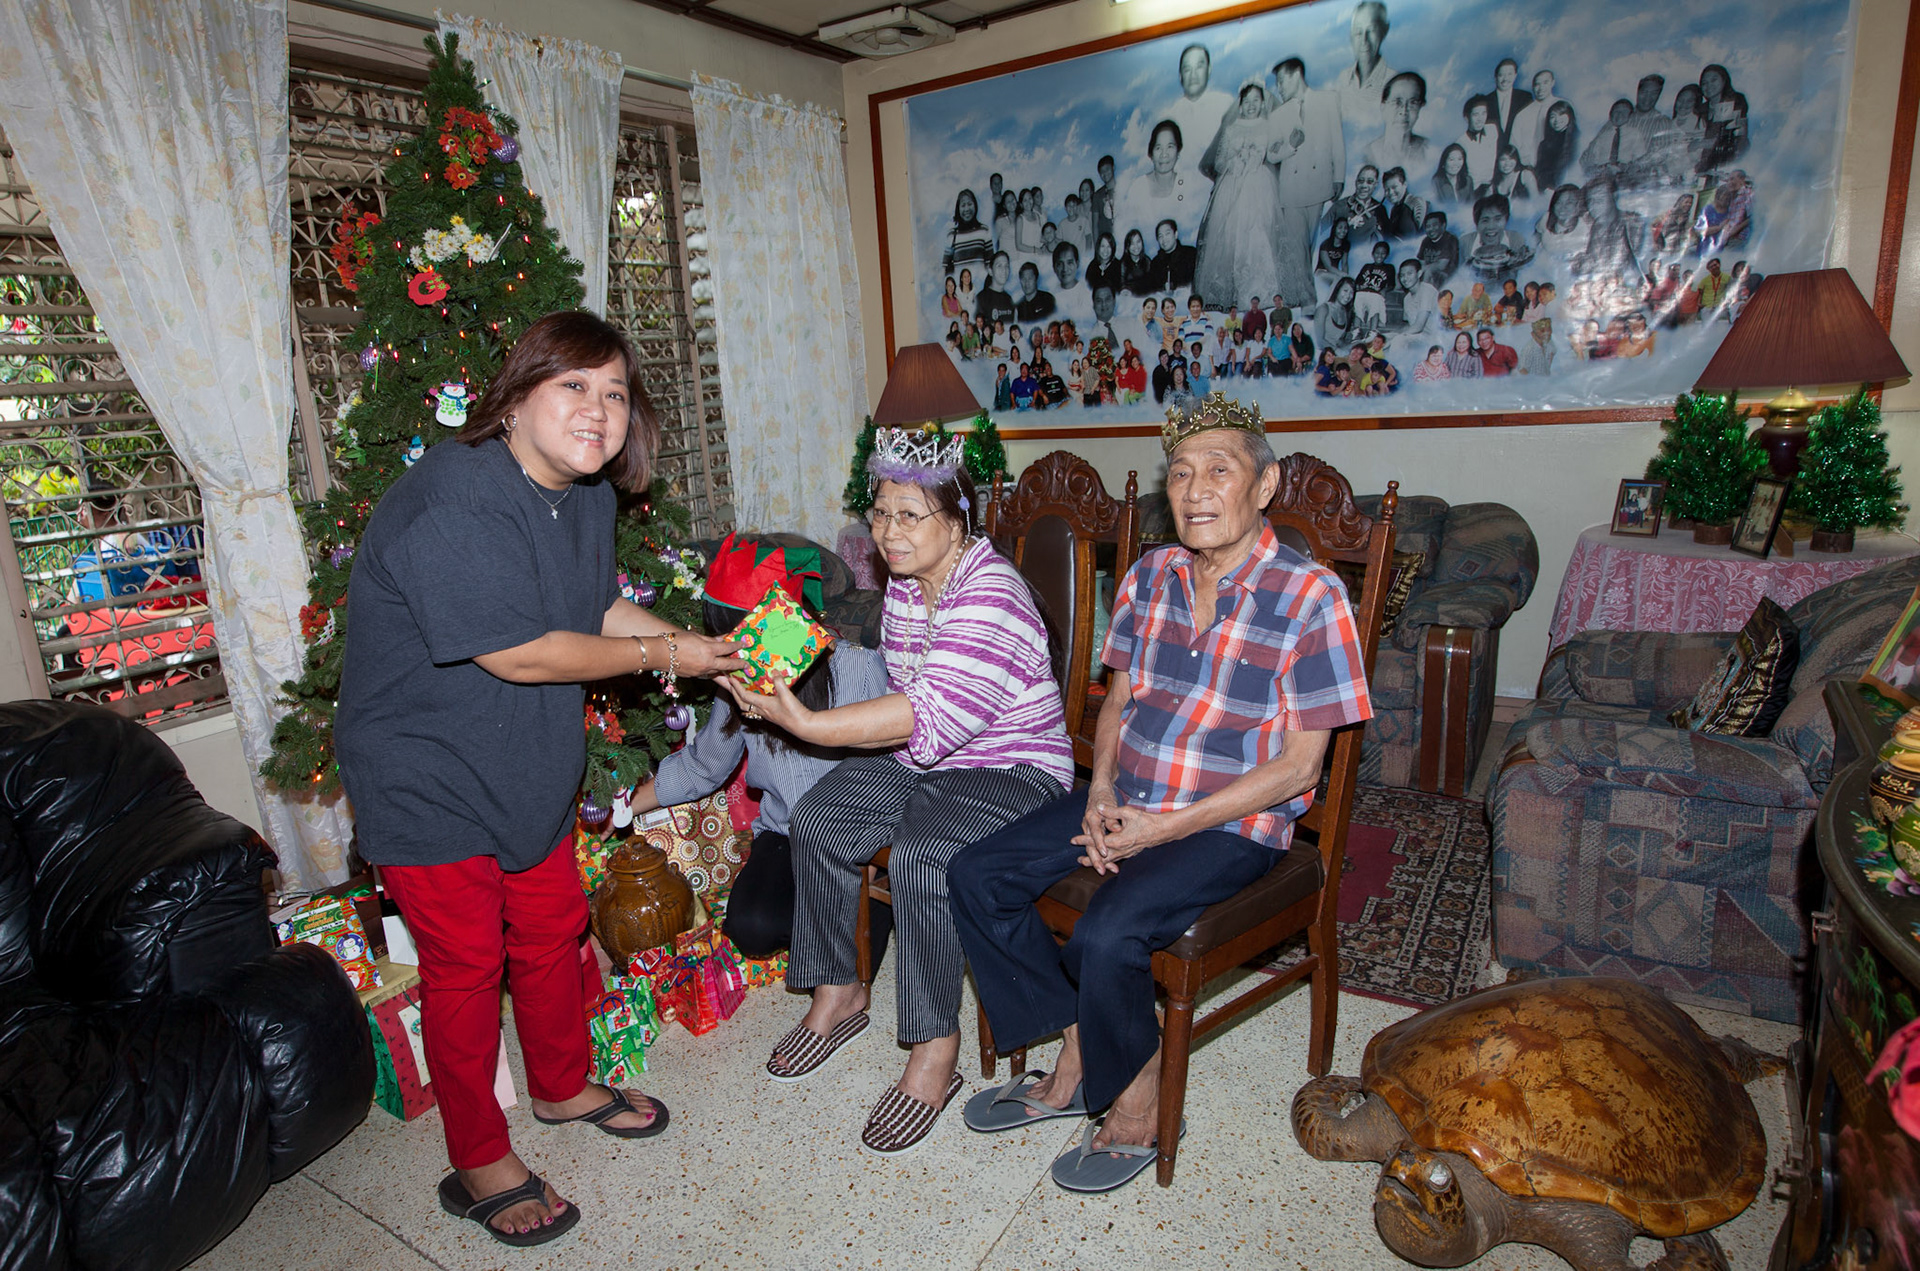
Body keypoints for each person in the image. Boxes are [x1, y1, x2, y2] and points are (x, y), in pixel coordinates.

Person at [335, 312, 745, 1247]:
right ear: (516, 398)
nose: (599, 410)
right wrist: (665, 653)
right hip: (422, 769)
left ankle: (560, 1087)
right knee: (466, 964)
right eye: (574, 385)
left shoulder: (584, 493)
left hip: (521, 754)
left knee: (553, 921)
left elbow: (592, 608)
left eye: (615, 392)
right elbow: (519, 651)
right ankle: (479, 1157)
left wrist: (699, 650)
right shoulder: (455, 499)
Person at [950, 396, 1372, 1192]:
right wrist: (1102, 789)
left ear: (1265, 485)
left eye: (1219, 469)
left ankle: (1140, 1097)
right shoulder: (1149, 575)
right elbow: (1116, 701)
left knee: (1106, 933)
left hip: (1230, 822)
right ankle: (1082, 1042)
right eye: (1180, 473)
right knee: (976, 874)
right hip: (1129, 793)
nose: (1195, 489)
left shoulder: (1313, 597)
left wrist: (1165, 827)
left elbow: (1298, 770)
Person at [736, 430, 1070, 1157]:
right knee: (819, 817)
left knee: (923, 855)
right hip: (929, 758)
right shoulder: (907, 587)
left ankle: (934, 1044)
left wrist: (806, 722)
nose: (889, 532)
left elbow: (927, 713)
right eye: (881, 513)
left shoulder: (991, 593)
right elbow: (907, 705)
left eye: (910, 515)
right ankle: (839, 990)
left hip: (1013, 767)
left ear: (958, 519)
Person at [633, 536, 890, 965]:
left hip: (853, 838)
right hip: (785, 834)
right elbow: (706, 764)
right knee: (751, 928)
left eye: (737, 637)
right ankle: (826, 921)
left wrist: (870, 863)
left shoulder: (857, 667)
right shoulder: (739, 679)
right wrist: (626, 806)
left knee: (843, 942)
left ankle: (857, 917)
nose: (728, 652)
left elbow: (886, 774)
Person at [1194, 82, 1286, 315]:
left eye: (1256, 100)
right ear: (1241, 104)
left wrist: (1255, 158)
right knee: (1230, 240)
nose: (1252, 105)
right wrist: (1234, 161)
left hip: (1258, 186)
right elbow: (1219, 161)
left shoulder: (1267, 125)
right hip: (1233, 186)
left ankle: (1259, 294)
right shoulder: (1232, 128)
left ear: (1262, 103)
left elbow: (1273, 153)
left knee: (1257, 237)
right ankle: (1231, 296)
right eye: (1247, 101)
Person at [1269, 56, 1345, 309]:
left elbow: (1337, 141)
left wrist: (1339, 177)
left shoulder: (1327, 100)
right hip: (1290, 190)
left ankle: (1309, 299)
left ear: (1296, 75)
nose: (1279, 88)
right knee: (1297, 249)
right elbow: (1271, 154)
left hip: (1319, 185)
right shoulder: (1279, 115)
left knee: (1310, 247)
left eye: (1281, 81)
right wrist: (1290, 146)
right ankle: (1308, 303)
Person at [1165, 43, 1236, 183]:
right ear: (1180, 76)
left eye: (1199, 67)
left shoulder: (1226, 104)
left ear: (1209, 70)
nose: (1193, 75)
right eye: (1187, 69)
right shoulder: (1170, 117)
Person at [1124, 121, 1200, 248]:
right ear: (1151, 154)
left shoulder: (1189, 184)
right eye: (1158, 148)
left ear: (1178, 151)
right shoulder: (1138, 188)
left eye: (1170, 146)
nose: (1164, 154)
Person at [1336, 0, 1396, 130]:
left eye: (1371, 30)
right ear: (1351, 36)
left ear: (1384, 30)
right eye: (1358, 32)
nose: (1364, 40)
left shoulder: (1395, 83)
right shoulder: (1342, 80)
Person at [1362, 70, 1431, 178]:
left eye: (1413, 103)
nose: (1403, 111)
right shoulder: (1369, 154)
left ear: (1421, 107)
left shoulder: (1429, 149)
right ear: (1383, 106)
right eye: (1397, 102)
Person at [1459, 192, 1533, 282]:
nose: (1491, 226)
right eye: (1485, 220)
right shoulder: (1464, 243)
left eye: (1498, 219)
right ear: (1477, 224)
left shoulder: (1516, 240)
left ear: (1506, 220)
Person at [1695, 63, 1749, 174]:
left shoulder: (1736, 101)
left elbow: (1731, 138)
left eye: (1714, 80)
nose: (1709, 85)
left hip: (1729, 159)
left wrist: (1701, 144)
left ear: (1724, 80)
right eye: (1704, 83)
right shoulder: (1700, 110)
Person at [1581, 100, 1650, 184]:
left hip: (1623, 174)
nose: (1619, 115)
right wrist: (1600, 168)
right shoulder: (1603, 136)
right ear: (1610, 115)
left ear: (1630, 117)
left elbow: (1641, 158)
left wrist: (1628, 168)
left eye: (1624, 112)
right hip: (1603, 174)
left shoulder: (1635, 134)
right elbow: (1593, 157)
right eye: (1616, 111)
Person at [1473, 58, 1533, 152]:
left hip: (1518, 152)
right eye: (1501, 75)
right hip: (1492, 153)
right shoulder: (1485, 101)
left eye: (1509, 74)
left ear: (1515, 75)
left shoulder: (1525, 98)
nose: (1505, 79)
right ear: (1495, 77)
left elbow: (1530, 128)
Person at [1511, 69, 1565, 162]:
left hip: (1556, 163)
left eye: (1545, 82)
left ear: (1552, 83)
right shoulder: (1522, 114)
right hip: (1528, 166)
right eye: (1537, 84)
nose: (1541, 88)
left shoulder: (1564, 107)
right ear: (1533, 87)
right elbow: (1514, 144)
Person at [942, 190, 994, 278]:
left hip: (981, 283)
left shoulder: (984, 230)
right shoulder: (952, 234)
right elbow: (945, 268)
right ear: (958, 209)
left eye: (970, 204)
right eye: (963, 205)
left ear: (975, 205)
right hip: (960, 285)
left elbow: (990, 265)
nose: (967, 209)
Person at [1532, 100, 1579, 191]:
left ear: (1569, 116)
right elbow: (1539, 172)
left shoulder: (1577, 140)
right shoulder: (1544, 145)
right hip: (1546, 191)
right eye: (1553, 116)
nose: (1557, 120)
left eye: (1561, 114)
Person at [1352, 240, 1394, 339]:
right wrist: (1358, 287)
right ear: (1372, 254)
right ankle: (1356, 330)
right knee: (1357, 299)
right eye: (1377, 253)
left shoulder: (1389, 268)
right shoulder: (1367, 266)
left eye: (1383, 253)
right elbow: (1358, 282)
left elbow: (1392, 285)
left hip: (1376, 293)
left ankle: (1373, 331)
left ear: (1387, 255)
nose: (1380, 255)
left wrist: (1385, 290)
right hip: (1363, 292)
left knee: (1376, 301)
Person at [1455, 98, 1499, 192]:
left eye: (1484, 113)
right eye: (1475, 115)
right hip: (1474, 191)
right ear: (1466, 117)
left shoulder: (1492, 130)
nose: (1480, 119)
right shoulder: (1461, 143)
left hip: (1494, 186)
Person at [1146, 217, 1198, 293]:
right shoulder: (1155, 263)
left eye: (1167, 234)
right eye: (1160, 236)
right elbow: (1152, 288)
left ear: (1176, 234)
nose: (1164, 239)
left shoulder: (1191, 254)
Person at [1415, 210, 1459, 287]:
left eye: (1434, 225)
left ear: (1443, 226)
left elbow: (1442, 265)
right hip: (1427, 273)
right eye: (1428, 226)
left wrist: (1422, 270)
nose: (1431, 229)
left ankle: (1424, 293)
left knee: (1428, 272)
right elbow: (1422, 262)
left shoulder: (1450, 239)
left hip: (1446, 277)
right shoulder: (1426, 241)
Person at [1313, 216, 1352, 301]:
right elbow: (1328, 267)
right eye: (1340, 227)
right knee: (1337, 279)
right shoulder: (1325, 244)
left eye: (1345, 228)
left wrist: (1346, 278)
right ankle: (1328, 303)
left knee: (1346, 283)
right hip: (1321, 272)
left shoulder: (1346, 244)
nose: (1343, 231)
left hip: (1335, 273)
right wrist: (1344, 275)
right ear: (1334, 229)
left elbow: (1344, 264)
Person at [1315, 276, 1358, 351]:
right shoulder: (1323, 309)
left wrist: (1351, 345)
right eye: (1345, 290)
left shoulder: (1346, 313)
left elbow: (1338, 341)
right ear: (1337, 289)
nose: (1348, 296)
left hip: (1336, 353)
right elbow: (1319, 342)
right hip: (1322, 353)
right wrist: (1337, 351)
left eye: (1351, 293)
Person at [976, 251, 1016, 327]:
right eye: (999, 266)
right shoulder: (981, 299)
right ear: (990, 271)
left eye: (1006, 266)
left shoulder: (1009, 299)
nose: (1004, 270)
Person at [1431, 143, 1474, 207]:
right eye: (1451, 160)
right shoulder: (1436, 182)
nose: (1456, 163)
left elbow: (1470, 205)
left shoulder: (1468, 180)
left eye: (1459, 159)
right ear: (1444, 162)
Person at [1118, 228, 1154, 295]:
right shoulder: (1123, 264)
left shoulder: (1147, 261)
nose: (1136, 246)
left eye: (1138, 242)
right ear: (1127, 246)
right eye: (1132, 243)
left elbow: (1151, 283)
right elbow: (1121, 284)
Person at [1093, 154, 1118, 242]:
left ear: (1113, 168)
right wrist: (1097, 245)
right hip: (1106, 243)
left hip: (1123, 237)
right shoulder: (1097, 195)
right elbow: (1095, 225)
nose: (1105, 173)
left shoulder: (1124, 188)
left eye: (1107, 169)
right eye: (1101, 171)